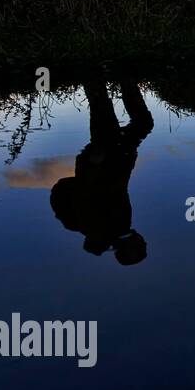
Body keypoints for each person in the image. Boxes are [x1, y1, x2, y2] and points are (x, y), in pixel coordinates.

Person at [50, 81, 153, 265]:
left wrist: (94, 164)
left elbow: (90, 192)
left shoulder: (103, 228)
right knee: (140, 123)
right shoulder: (116, 227)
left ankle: (98, 73)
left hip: (103, 161)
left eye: (141, 245)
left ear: (131, 246)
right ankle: (123, 77)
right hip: (117, 158)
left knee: (105, 113)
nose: (144, 241)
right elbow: (118, 189)